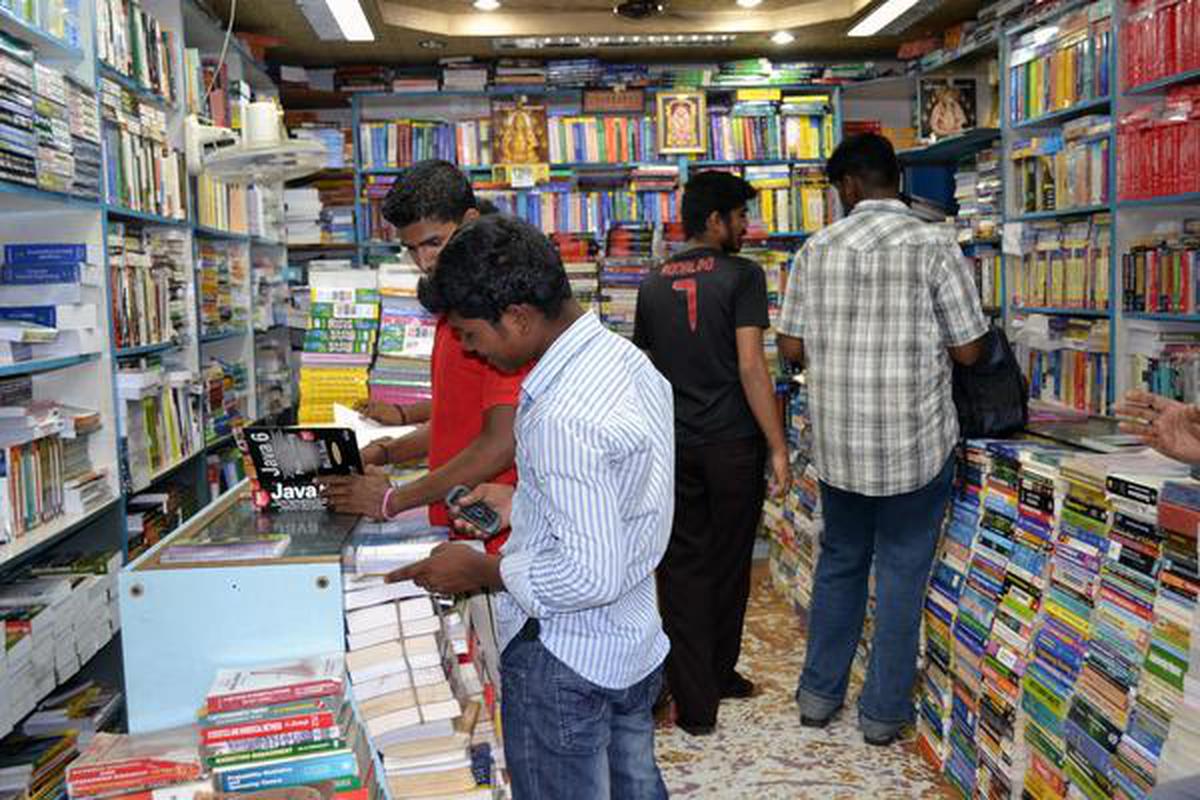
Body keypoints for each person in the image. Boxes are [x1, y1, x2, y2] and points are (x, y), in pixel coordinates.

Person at [390, 214, 674, 799]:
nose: (468, 348)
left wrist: (484, 570)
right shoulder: (630, 364)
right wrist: (525, 501)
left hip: (567, 658)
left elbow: (587, 573)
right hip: (635, 636)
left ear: (517, 317)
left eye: (471, 334)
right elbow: (624, 500)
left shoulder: (557, 415)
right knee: (636, 785)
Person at [776, 132, 988, 746]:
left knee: (840, 565)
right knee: (901, 574)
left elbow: (790, 347)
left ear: (848, 186)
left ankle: (818, 697)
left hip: (841, 448)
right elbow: (970, 349)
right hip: (915, 447)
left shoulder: (816, 249)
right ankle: (882, 715)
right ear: (894, 179)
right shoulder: (934, 243)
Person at [632, 170, 790, 735]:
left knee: (680, 572)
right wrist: (778, 447)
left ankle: (695, 696)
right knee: (729, 567)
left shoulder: (651, 285)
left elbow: (645, 374)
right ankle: (716, 674)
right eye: (741, 216)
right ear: (715, 220)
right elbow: (752, 366)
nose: (747, 227)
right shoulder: (743, 277)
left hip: (672, 446)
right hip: (731, 445)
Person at [321, 161, 526, 551]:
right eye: (411, 249)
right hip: (460, 524)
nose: (424, 262)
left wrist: (391, 500)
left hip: (498, 536)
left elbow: (500, 442)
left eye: (434, 243)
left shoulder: (494, 315)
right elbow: (458, 420)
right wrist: (385, 450)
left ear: (470, 221)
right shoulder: (450, 310)